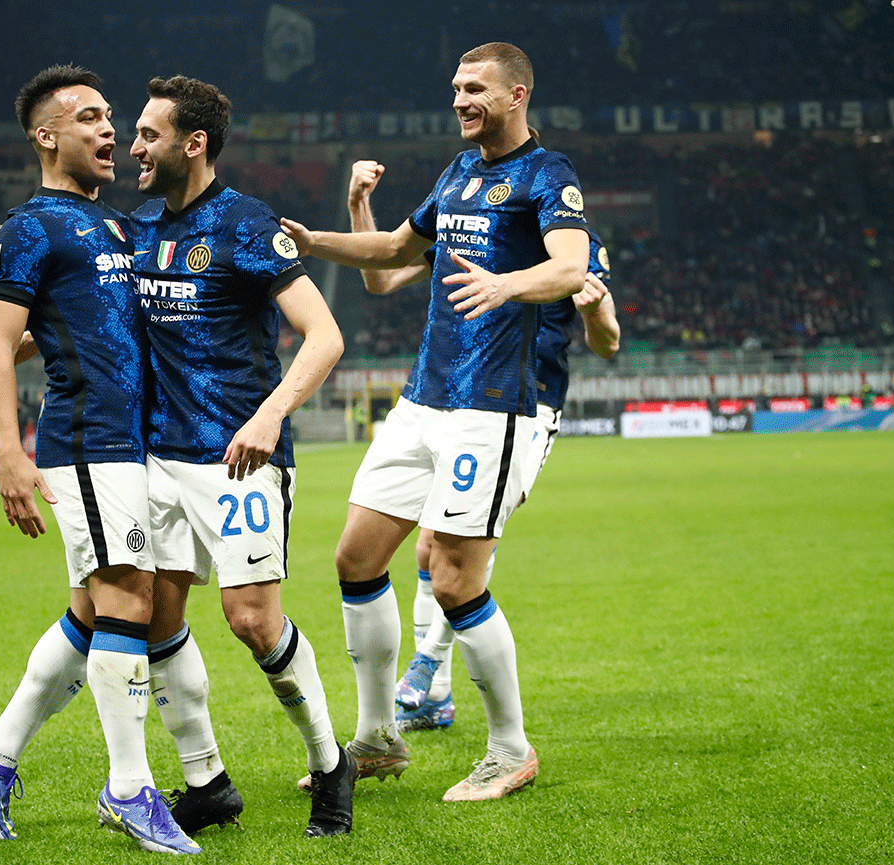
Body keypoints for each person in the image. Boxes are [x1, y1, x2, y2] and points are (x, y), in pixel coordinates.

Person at [279, 42, 591, 802]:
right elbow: (390, 255)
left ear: (517, 94)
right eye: (455, 86)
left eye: (475, 88)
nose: (459, 99)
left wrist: (506, 284)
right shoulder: (459, 174)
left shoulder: (549, 177)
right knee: (356, 556)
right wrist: (314, 241)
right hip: (426, 398)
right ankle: (379, 737)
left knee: (452, 576)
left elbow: (573, 264)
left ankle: (510, 748)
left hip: (495, 406)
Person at [0, 64, 198, 856]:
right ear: (46, 135)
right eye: (89, 117)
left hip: (137, 448)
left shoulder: (118, 225)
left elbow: (46, 333)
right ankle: (130, 788)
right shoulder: (31, 226)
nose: (107, 130)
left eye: (111, 117)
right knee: (128, 598)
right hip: (87, 445)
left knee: (97, 611)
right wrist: (10, 455)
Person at [127, 75, 353, 836]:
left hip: (239, 457)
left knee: (252, 620)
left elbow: (325, 336)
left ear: (193, 144)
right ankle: (207, 780)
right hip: (158, 458)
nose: (134, 147)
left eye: (148, 135)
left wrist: (269, 414)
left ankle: (331, 762)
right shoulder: (138, 228)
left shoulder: (246, 224)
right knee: (155, 618)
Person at [341, 157, 620, 733]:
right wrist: (358, 206)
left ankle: (428, 674)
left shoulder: (575, 246)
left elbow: (608, 341)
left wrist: (592, 312)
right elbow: (383, 276)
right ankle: (433, 694)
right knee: (426, 551)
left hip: (527, 406)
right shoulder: (475, 226)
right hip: (453, 399)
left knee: (451, 554)